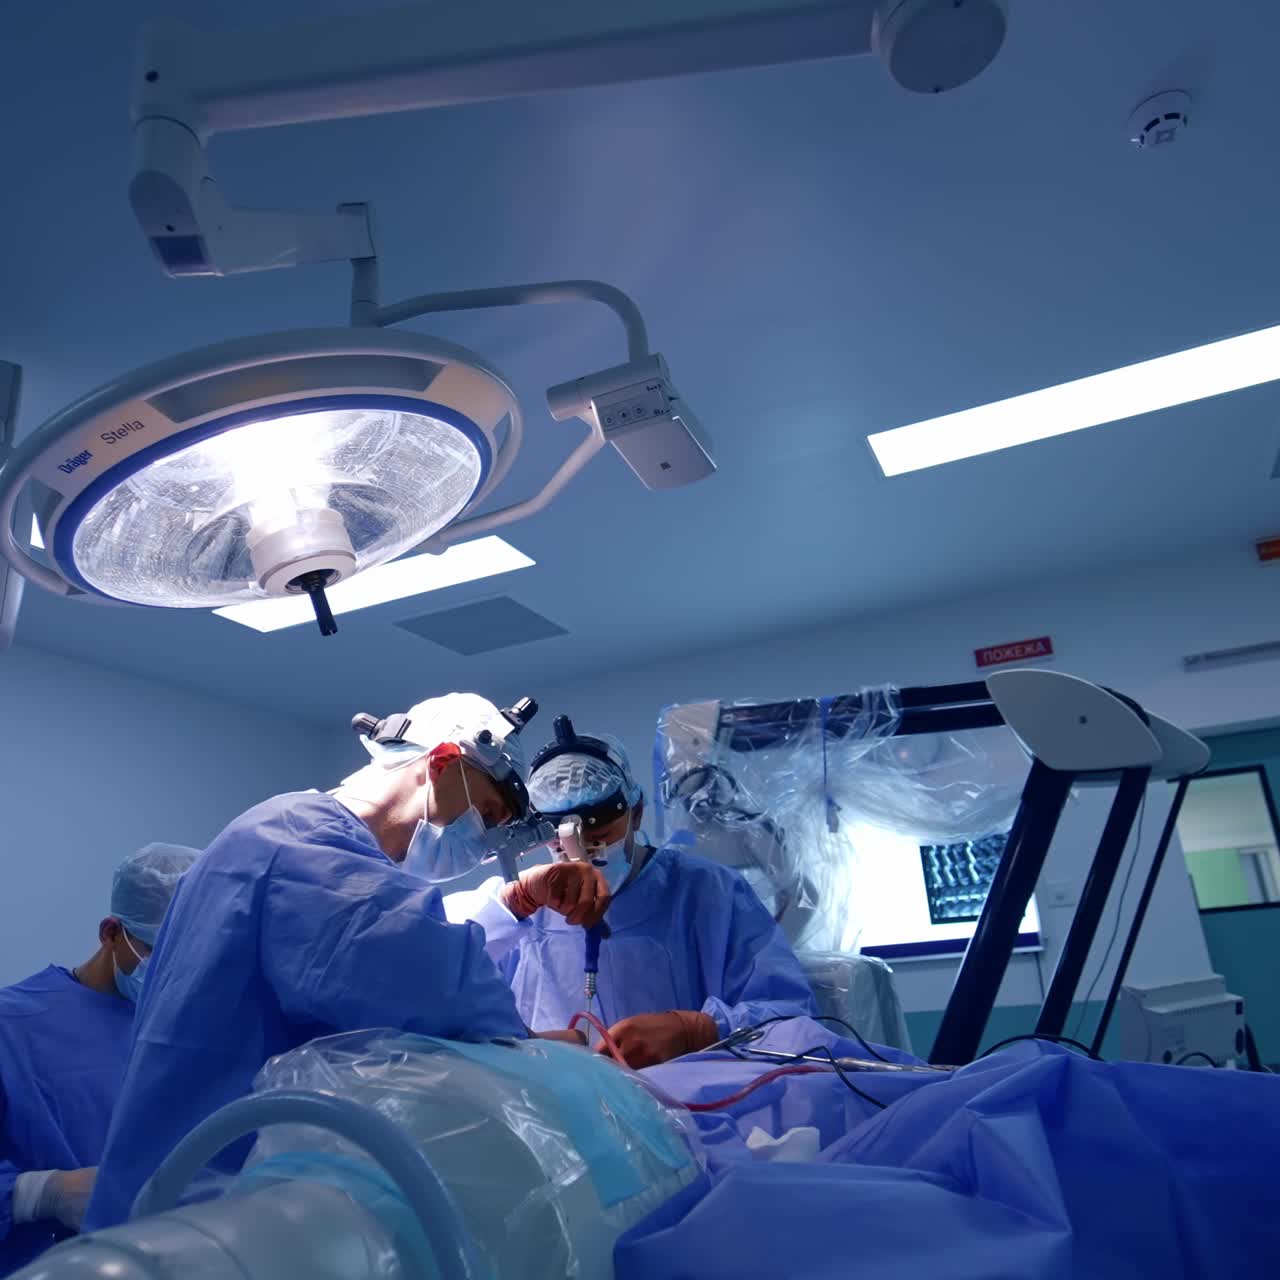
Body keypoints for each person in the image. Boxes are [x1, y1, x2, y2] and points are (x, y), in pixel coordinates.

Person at [84, 693, 540, 1232]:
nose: (481, 841)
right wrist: (547, 1058)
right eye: (485, 814)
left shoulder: (286, 835)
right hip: (209, 1217)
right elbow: (445, 986)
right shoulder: (304, 846)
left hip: (197, 1205)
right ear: (441, 762)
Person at [445, 718, 817, 1068]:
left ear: (635, 813)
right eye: (560, 845)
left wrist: (699, 1030)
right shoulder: (523, 904)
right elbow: (443, 987)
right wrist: (529, 1045)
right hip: (560, 1112)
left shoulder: (707, 893)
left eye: (599, 835)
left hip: (692, 1113)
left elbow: (791, 1017)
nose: (580, 854)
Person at [0, 843, 198, 1274]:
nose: (175, 974)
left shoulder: (194, 1031)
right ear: (111, 933)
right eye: (161, 955)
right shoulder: (11, 1025)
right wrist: (41, 1193)